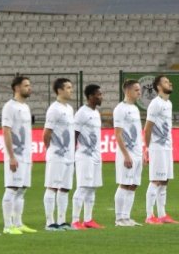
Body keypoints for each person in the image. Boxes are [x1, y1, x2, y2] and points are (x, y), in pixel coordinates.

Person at [1, 76, 36, 235]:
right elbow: (6, 131)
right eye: (26, 85)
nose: (29, 88)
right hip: (15, 155)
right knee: (12, 188)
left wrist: (30, 156)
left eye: (29, 85)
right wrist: (11, 156)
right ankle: (7, 225)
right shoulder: (10, 107)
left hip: (26, 156)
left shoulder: (26, 107)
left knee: (22, 189)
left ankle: (18, 223)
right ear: (16, 88)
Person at [144, 75, 179, 224]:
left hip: (167, 147)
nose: (169, 83)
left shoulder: (168, 103)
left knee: (165, 181)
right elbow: (147, 128)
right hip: (157, 147)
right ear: (158, 87)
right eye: (165, 82)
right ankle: (149, 215)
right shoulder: (155, 104)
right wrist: (147, 148)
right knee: (156, 180)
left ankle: (162, 214)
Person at [43, 77, 76, 231]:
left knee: (64, 188)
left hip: (70, 156)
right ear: (60, 90)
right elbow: (46, 133)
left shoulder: (69, 109)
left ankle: (62, 221)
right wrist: (51, 149)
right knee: (52, 187)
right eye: (68, 87)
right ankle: (50, 222)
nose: (71, 90)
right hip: (57, 155)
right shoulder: (54, 109)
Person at [71, 84, 105, 230]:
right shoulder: (81, 113)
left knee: (92, 188)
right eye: (98, 94)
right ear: (90, 96)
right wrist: (72, 155)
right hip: (84, 156)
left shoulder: (96, 113)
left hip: (96, 155)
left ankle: (88, 219)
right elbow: (74, 134)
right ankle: (75, 220)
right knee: (83, 186)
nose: (101, 96)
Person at [113, 79, 144, 226]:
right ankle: (119, 218)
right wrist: (126, 155)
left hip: (137, 153)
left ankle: (126, 216)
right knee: (124, 184)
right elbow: (118, 134)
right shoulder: (120, 109)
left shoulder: (135, 109)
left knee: (133, 184)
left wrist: (143, 151)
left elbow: (137, 132)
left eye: (139, 90)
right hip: (127, 153)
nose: (140, 92)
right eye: (136, 90)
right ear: (127, 91)